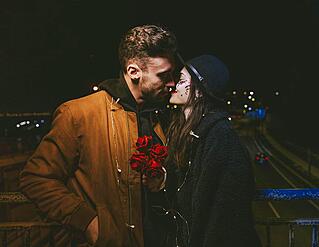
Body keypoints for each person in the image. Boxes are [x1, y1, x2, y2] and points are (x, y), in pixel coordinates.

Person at [19, 24, 178, 247]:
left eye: (172, 73)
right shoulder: (77, 114)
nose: (171, 83)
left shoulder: (161, 116)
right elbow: (35, 179)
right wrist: (87, 222)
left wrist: (162, 179)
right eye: (164, 75)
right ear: (133, 72)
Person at [161, 54, 262, 246]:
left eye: (181, 80)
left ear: (199, 91)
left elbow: (227, 215)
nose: (174, 84)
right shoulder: (186, 131)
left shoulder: (221, 136)